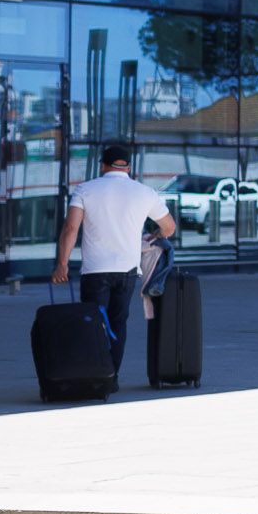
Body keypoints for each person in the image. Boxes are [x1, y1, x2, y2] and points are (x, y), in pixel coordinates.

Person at [50, 143, 176, 379]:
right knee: (118, 323)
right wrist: (155, 235)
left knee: (93, 323)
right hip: (127, 271)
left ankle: (93, 374)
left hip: (95, 271)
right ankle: (111, 376)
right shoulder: (145, 192)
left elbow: (70, 229)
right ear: (128, 167)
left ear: (103, 166)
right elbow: (169, 227)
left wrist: (62, 264)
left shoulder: (85, 190)